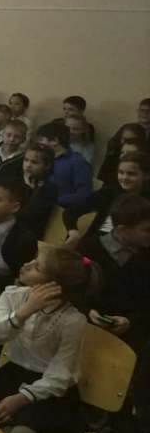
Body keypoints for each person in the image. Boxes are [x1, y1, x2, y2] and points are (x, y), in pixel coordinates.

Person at [0, 247, 93, 433]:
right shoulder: (12, 296)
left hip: (48, 388)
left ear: (53, 286)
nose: (26, 265)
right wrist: (24, 312)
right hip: (13, 372)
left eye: (37, 267)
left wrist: (21, 398)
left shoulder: (73, 320)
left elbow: (60, 376)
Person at [80, 194, 150, 349]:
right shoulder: (89, 248)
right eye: (147, 230)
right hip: (84, 324)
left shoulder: (145, 255)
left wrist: (130, 321)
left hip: (132, 331)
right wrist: (87, 311)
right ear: (122, 230)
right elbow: (72, 290)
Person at [65, 152, 150, 247]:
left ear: (146, 175)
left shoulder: (146, 203)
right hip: (95, 246)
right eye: (121, 172)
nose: (124, 178)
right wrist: (73, 232)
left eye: (131, 174)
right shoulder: (109, 193)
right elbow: (71, 211)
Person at [36, 121, 92, 209]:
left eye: (41, 140)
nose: (38, 145)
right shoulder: (42, 157)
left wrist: (54, 201)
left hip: (59, 209)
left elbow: (84, 194)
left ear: (54, 141)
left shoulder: (78, 162)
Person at [18, 143, 59, 237]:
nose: (28, 165)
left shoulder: (50, 188)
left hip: (29, 234)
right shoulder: (17, 180)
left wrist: (28, 188)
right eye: (26, 160)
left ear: (47, 165)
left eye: (34, 162)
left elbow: (30, 214)